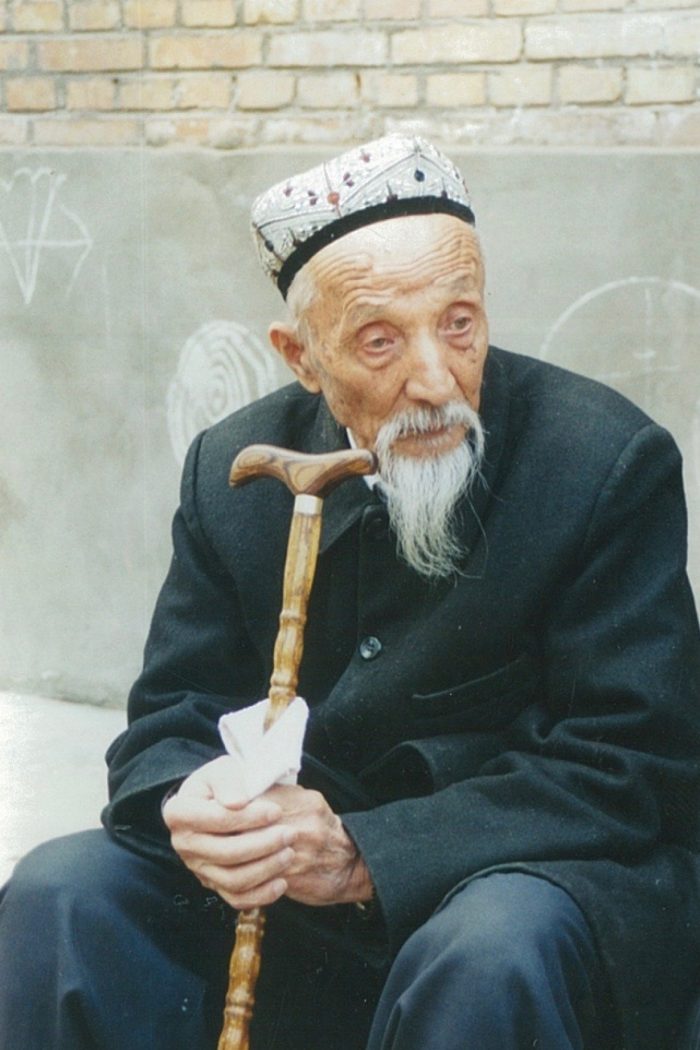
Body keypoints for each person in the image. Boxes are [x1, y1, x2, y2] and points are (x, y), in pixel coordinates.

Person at [1, 135, 700, 1050]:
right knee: (63, 894)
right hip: (295, 899)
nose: (438, 378)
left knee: (487, 951)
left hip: (513, 876)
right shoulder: (231, 469)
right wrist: (194, 799)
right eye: (380, 339)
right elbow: (170, 715)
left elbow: (631, 765)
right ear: (301, 354)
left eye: (460, 322)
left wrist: (370, 854)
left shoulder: (603, 462)